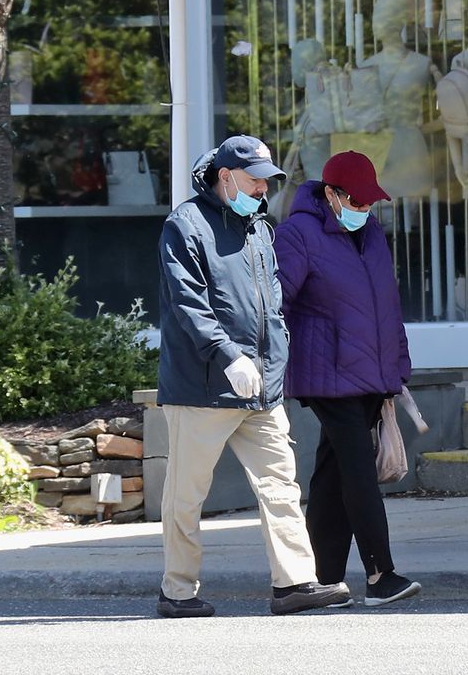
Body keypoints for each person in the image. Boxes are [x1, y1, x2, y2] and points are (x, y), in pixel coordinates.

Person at [154, 135, 350, 618]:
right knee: (187, 494)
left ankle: (295, 583)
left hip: (260, 386)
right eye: (255, 178)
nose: (263, 187)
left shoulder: (258, 225)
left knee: (281, 484)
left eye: (267, 180)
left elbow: (272, 304)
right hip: (203, 387)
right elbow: (188, 304)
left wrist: (271, 367)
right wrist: (228, 356)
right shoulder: (186, 224)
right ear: (226, 177)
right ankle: (178, 591)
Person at [276, 151, 421, 607]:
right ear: (332, 194)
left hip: (369, 374)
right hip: (326, 373)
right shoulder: (297, 234)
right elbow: (278, 300)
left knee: (331, 472)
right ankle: (381, 574)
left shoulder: (372, 233)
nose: (365, 210)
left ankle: (324, 578)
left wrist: (396, 367)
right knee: (358, 469)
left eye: (369, 203)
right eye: (356, 202)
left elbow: (386, 306)